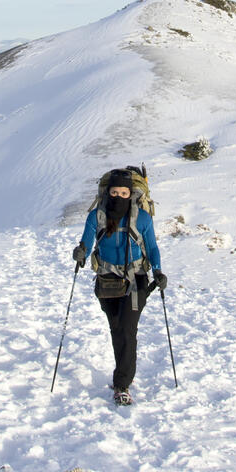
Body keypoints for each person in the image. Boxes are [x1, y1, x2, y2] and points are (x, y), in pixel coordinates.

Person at [72, 168, 167, 405]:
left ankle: (122, 384)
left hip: (137, 280)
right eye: (114, 192)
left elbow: (152, 246)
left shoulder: (142, 218)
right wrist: (81, 251)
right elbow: (87, 238)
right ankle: (122, 372)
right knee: (116, 329)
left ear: (131, 194)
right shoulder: (97, 216)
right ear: (107, 193)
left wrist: (157, 269)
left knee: (126, 329)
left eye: (124, 192)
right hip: (107, 280)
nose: (119, 196)